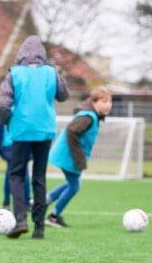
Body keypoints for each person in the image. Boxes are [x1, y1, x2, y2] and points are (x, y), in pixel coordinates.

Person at [0, 36, 68, 240]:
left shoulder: (14, 74)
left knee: (17, 174)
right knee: (39, 177)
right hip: (45, 130)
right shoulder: (51, 73)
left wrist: (7, 121)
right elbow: (63, 95)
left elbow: (2, 105)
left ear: (21, 55)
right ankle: (39, 227)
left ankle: (20, 220)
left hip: (21, 130)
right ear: (42, 55)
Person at [46, 87, 113, 227]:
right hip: (68, 156)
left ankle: (42, 202)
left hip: (67, 155)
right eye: (103, 101)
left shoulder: (92, 115)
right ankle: (53, 216)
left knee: (71, 184)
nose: (108, 105)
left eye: (109, 101)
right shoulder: (88, 117)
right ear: (94, 102)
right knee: (74, 186)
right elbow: (71, 132)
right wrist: (79, 158)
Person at [0, 119, 31, 211]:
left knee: (10, 174)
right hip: (21, 144)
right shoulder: (24, 108)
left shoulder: (5, 107)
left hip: (8, 146)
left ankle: (7, 202)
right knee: (23, 173)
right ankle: (26, 202)